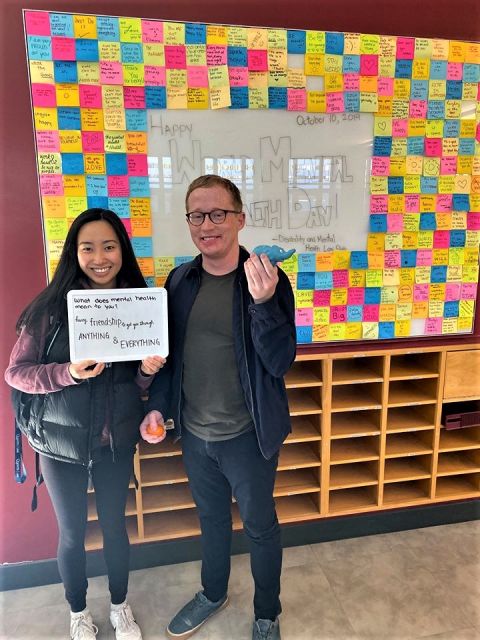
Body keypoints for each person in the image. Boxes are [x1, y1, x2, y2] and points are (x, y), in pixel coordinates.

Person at [140, 175, 296, 640]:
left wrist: (263, 304)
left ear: (239, 219)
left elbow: (280, 362)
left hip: (249, 436)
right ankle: (213, 593)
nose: (206, 225)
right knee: (210, 522)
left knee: (260, 527)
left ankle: (266, 613)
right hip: (195, 435)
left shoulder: (266, 280)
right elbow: (169, 360)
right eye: (196, 215)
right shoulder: (180, 281)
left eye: (218, 214)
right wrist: (157, 408)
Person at [5, 208, 165, 640]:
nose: (99, 258)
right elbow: (16, 373)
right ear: (74, 253)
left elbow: (136, 384)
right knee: (72, 534)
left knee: (115, 529)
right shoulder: (51, 310)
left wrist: (146, 370)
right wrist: (68, 373)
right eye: (88, 248)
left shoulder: (140, 305)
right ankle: (77, 611)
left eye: (109, 247)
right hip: (59, 444)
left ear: (122, 251)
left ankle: (120, 607)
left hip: (115, 441)